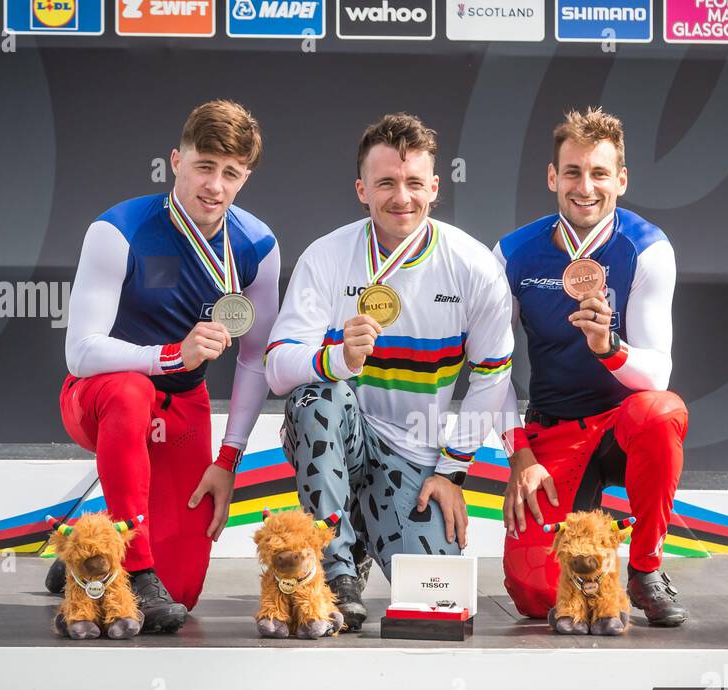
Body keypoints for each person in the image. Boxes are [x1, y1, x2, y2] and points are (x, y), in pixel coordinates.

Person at [264, 113, 514, 630]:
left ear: (435, 188)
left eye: (414, 183)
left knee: (438, 601)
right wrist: (336, 360)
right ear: (362, 189)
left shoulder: (473, 267)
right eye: (386, 183)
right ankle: (334, 570)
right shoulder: (327, 257)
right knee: (317, 397)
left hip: (412, 454)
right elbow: (276, 368)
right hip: (342, 435)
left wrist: (451, 471)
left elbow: (493, 376)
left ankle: (356, 537)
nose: (402, 197)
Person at [46, 99, 280, 633]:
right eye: (203, 166)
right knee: (129, 392)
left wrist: (229, 457)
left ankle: (86, 550)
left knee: (184, 594)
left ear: (244, 178)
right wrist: (170, 354)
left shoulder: (258, 245)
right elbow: (80, 351)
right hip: (100, 398)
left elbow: (253, 360)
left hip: (183, 403)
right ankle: (135, 565)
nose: (214, 186)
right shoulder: (119, 228)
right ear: (176, 160)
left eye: (231, 174)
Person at [497, 107, 690, 631]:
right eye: (574, 172)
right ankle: (589, 557)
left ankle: (645, 567)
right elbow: (491, 367)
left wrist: (610, 349)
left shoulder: (647, 248)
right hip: (555, 429)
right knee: (538, 595)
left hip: (622, 427)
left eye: (600, 173)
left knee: (661, 412)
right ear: (552, 177)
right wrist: (520, 455)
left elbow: (658, 375)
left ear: (621, 180)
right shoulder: (514, 253)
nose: (586, 187)